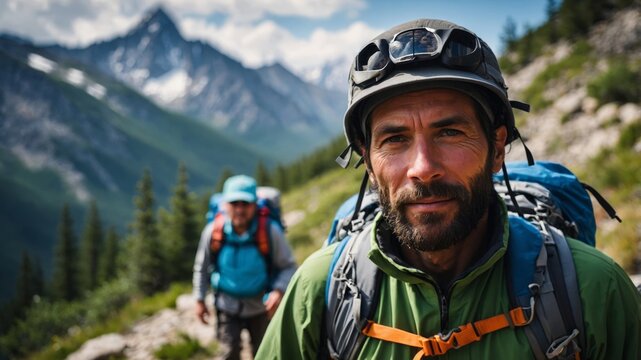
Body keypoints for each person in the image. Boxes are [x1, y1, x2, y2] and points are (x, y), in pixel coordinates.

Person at [256, 19, 641, 359]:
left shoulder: (596, 289)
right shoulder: (318, 290)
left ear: (496, 149)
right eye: (394, 139)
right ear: (368, 164)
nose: (423, 168)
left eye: (450, 132)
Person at [193, 175, 296, 359]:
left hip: (261, 307)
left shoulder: (269, 231)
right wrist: (200, 299)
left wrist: (279, 291)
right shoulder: (214, 232)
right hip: (226, 306)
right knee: (229, 352)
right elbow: (202, 267)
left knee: (264, 353)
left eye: (245, 204)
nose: (239, 209)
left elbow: (288, 266)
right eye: (234, 203)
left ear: (254, 205)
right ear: (225, 205)